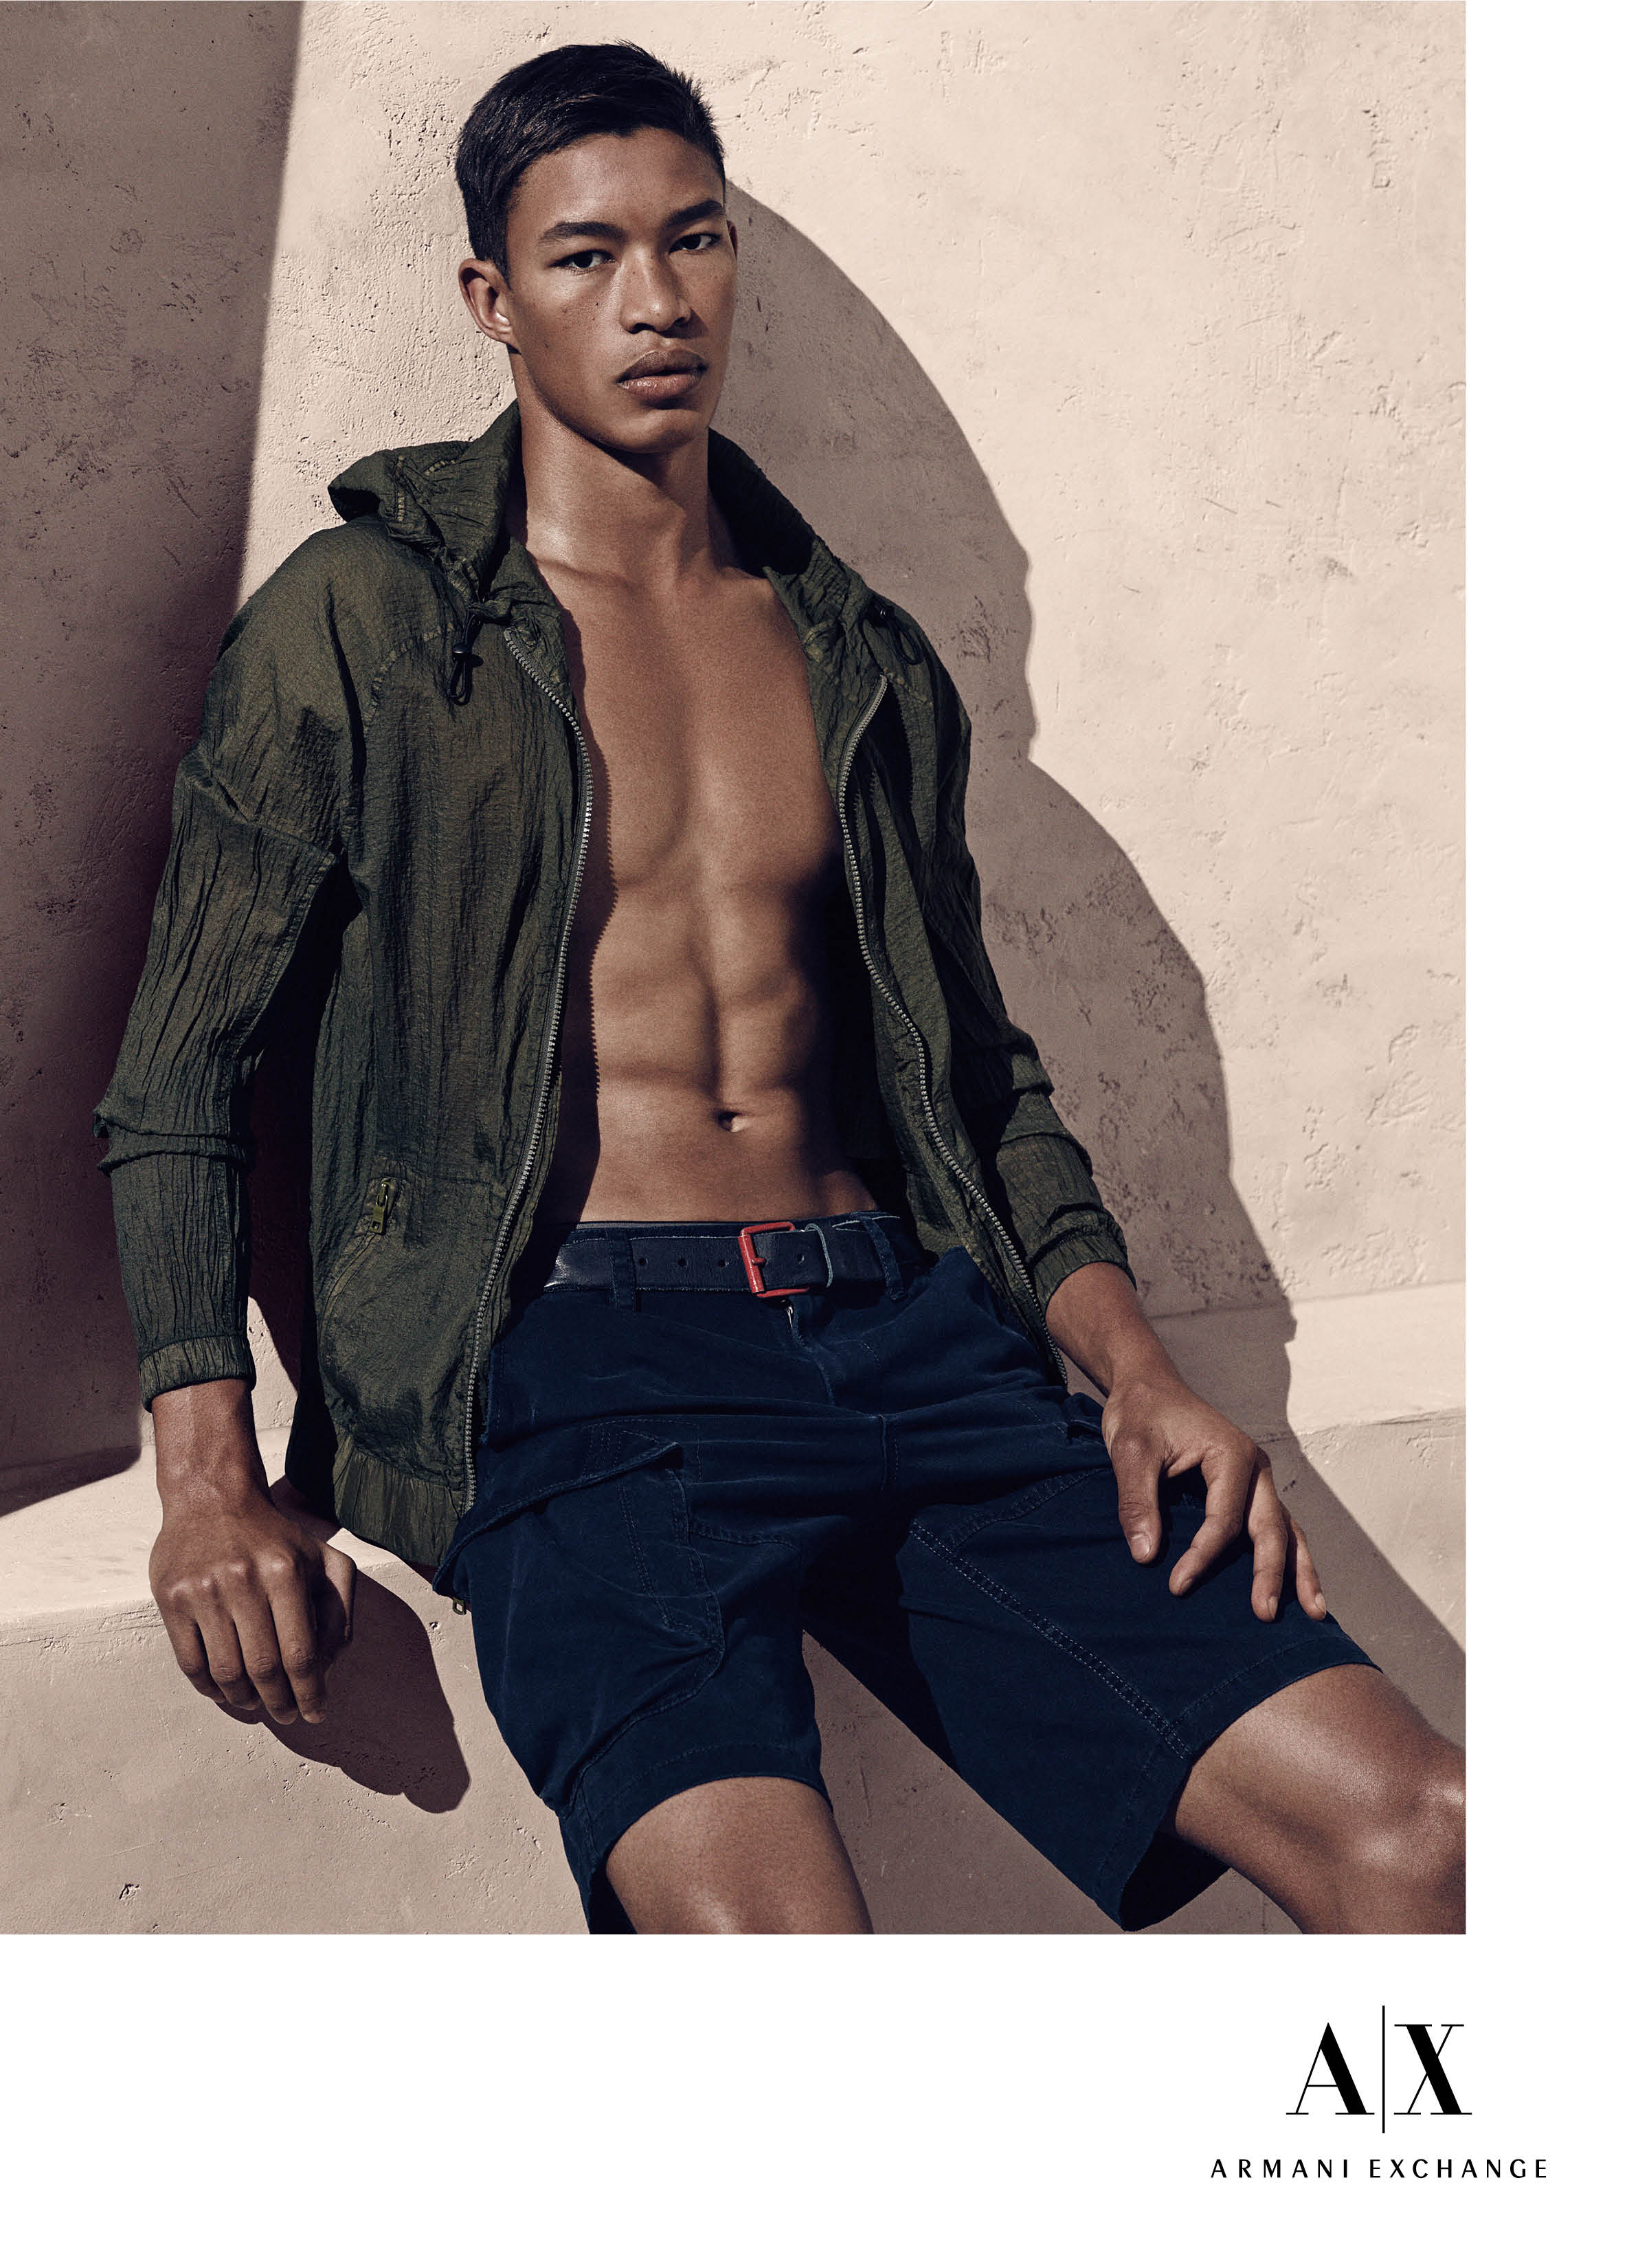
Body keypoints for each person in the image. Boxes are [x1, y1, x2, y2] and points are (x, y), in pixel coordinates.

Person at [94, 43, 1464, 1935]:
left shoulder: (856, 653)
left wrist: (1139, 1373)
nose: (655, 300)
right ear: (492, 299)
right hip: (579, 1378)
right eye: (585, 256)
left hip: (907, 1335)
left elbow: (976, 1081)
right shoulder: (371, 623)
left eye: (695, 239)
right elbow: (180, 1074)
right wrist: (207, 1478)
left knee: (1421, 1829)